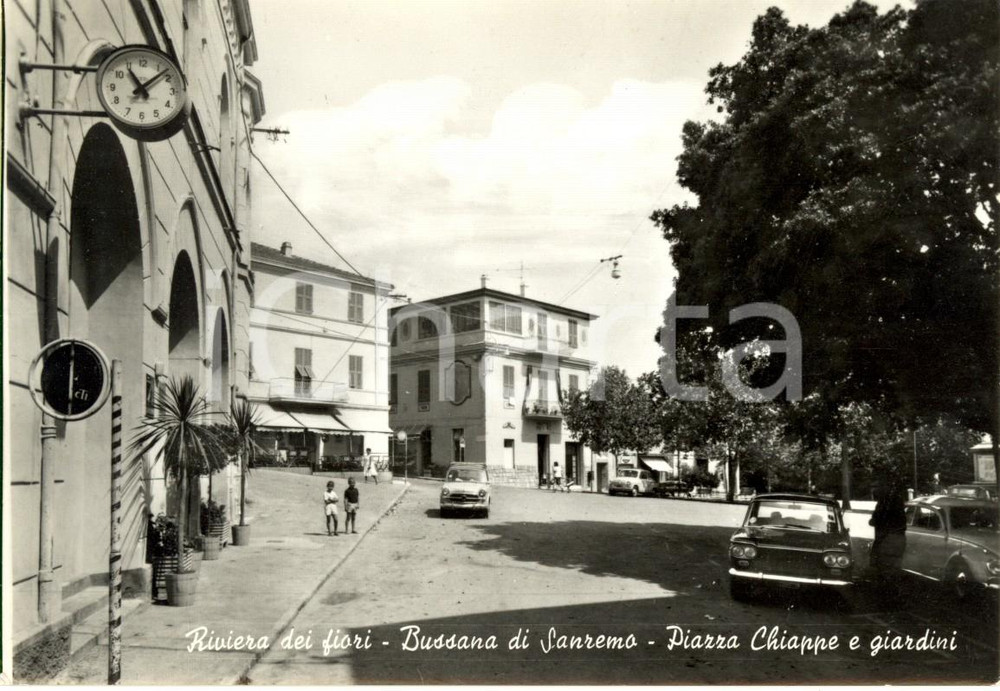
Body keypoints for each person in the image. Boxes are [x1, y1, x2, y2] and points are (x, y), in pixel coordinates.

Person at [869, 475, 907, 602]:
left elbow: (876, 520)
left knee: (883, 568)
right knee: (894, 568)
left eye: (876, 488)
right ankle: (893, 595)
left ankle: (885, 596)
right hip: (899, 537)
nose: (873, 491)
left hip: (886, 538)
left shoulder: (883, 503)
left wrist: (873, 521)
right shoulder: (897, 501)